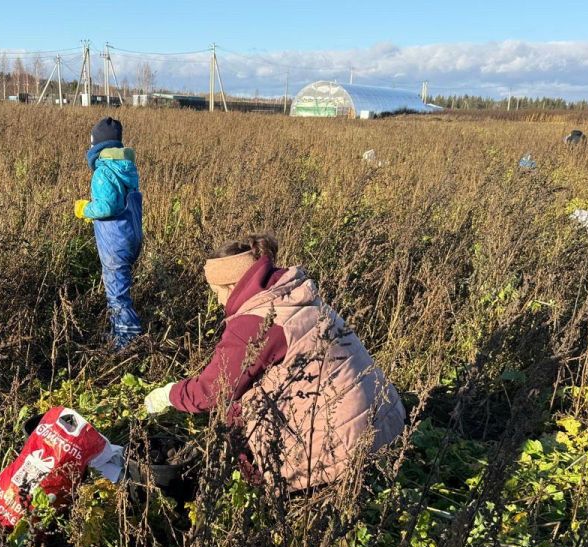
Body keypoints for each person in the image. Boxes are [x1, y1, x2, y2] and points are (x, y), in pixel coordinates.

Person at [143, 235, 406, 491]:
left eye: (217, 293)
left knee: (236, 417)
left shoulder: (255, 321)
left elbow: (213, 390)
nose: (220, 303)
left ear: (230, 285)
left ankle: (276, 493)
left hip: (345, 444)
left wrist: (169, 394)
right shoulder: (291, 292)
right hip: (385, 419)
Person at [75, 117, 143, 348]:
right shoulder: (126, 168)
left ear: (96, 146)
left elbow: (106, 207)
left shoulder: (103, 172)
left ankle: (126, 341)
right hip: (130, 236)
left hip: (115, 241)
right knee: (120, 287)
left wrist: (85, 209)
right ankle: (121, 333)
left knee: (116, 293)